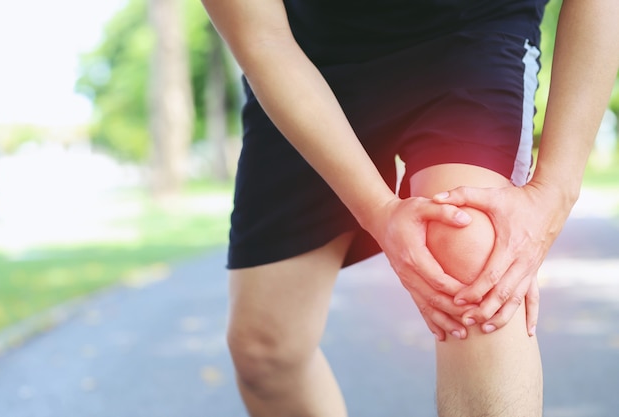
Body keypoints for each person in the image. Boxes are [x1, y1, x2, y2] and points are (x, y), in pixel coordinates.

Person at [200, 0, 619, 415]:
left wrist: (556, 188)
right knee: (265, 352)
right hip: (306, 56)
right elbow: (262, 39)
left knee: (468, 250)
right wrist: (377, 209)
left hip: (470, 30)